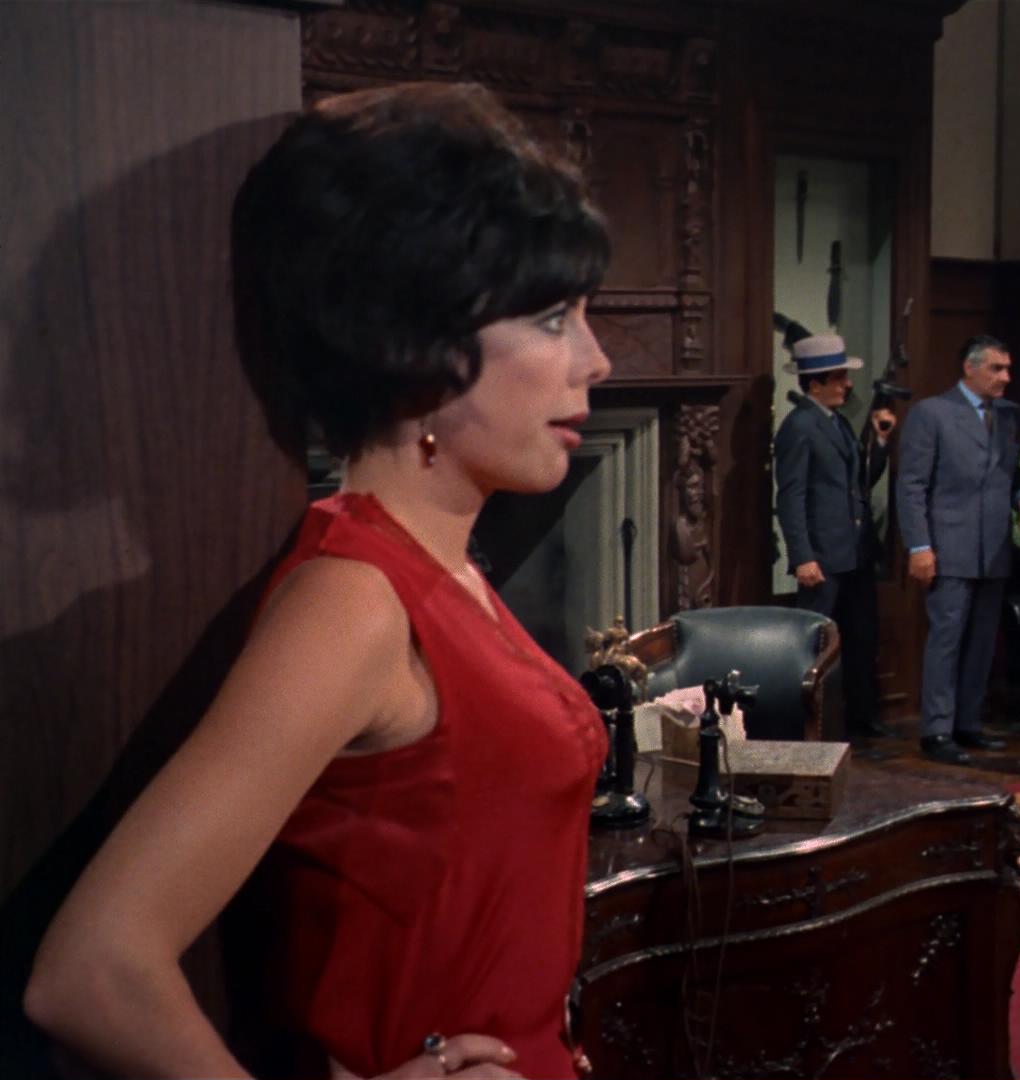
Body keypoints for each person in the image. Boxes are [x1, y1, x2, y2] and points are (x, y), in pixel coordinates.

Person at [24, 83, 613, 1079]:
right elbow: (91, 971)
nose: (596, 360)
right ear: (415, 340)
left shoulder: (441, 568)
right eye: (555, 318)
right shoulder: (355, 600)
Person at [897, 335, 1020, 766]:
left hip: (993, 548)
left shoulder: (1009, 414)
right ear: (970, 368)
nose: (1006, 377)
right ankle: (937, 730)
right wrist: (920, 545)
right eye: (997, 368)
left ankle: (968, 723)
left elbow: (1012, 474)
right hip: (948, 547)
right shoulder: (932, 414)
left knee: (981, 641)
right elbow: (911, 485)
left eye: (1008, 368)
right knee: (947, 638)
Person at [773, 333, 897, 741]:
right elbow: (790, 497)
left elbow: (857, 483)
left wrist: (879, 441)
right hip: (823, 557)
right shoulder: (799, 427)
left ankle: (861, 717)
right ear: (815, 384)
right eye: (839, 378)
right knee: (816, 645)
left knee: (861, 637)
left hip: (854, 553)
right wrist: (802, 555)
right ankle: (810, 725)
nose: (847, 385)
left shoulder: (836, 422)